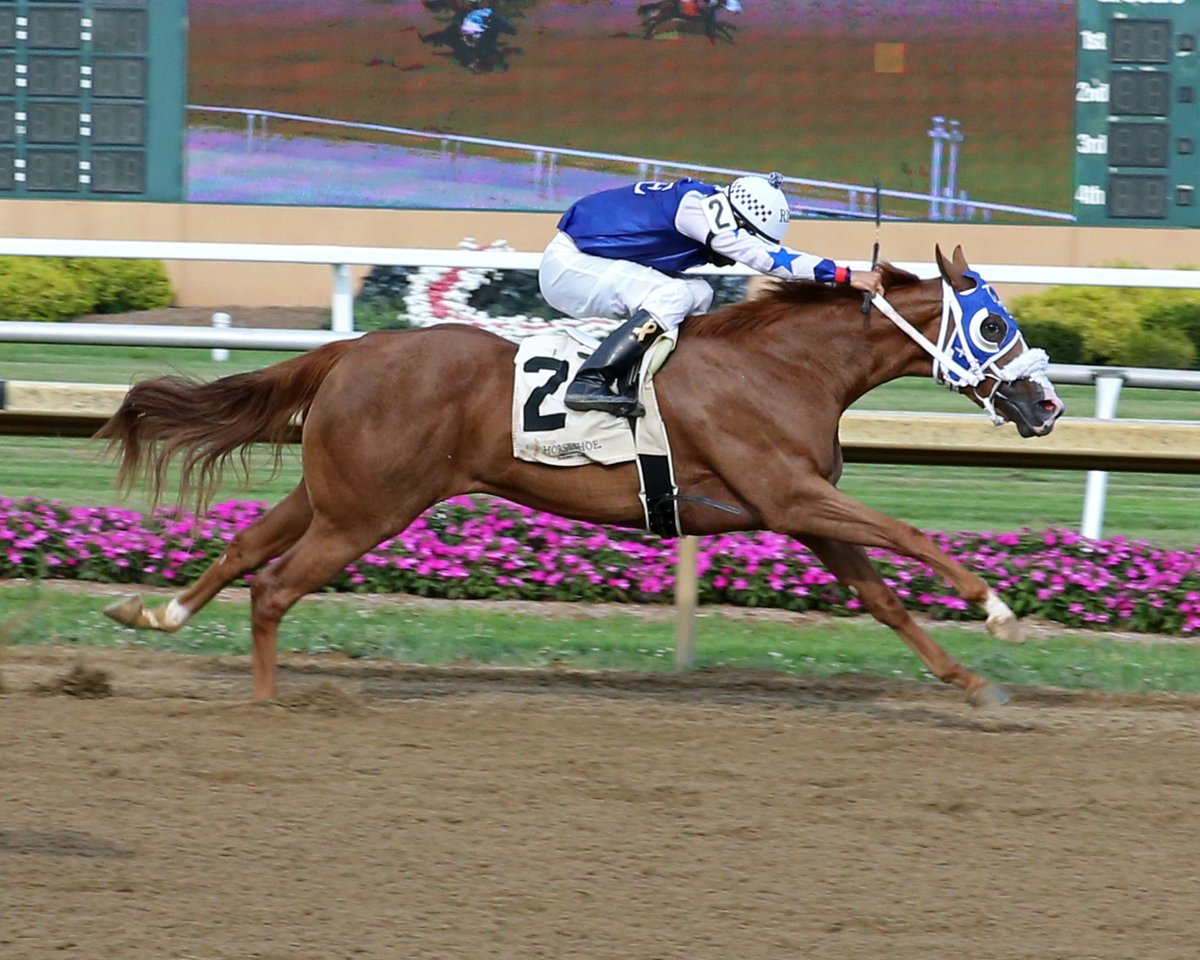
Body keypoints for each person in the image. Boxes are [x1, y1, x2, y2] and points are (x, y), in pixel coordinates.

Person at [538, 173, 884, 418]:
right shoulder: (701, 211)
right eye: (745, 238)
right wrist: (845, 275)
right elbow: (766, 258)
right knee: (673, 295)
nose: (732, 257)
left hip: (592, 259)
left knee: (699, 292)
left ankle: (660, 380)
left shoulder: (710, 203)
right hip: (571, 266)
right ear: (740, 220)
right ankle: (591, 380)